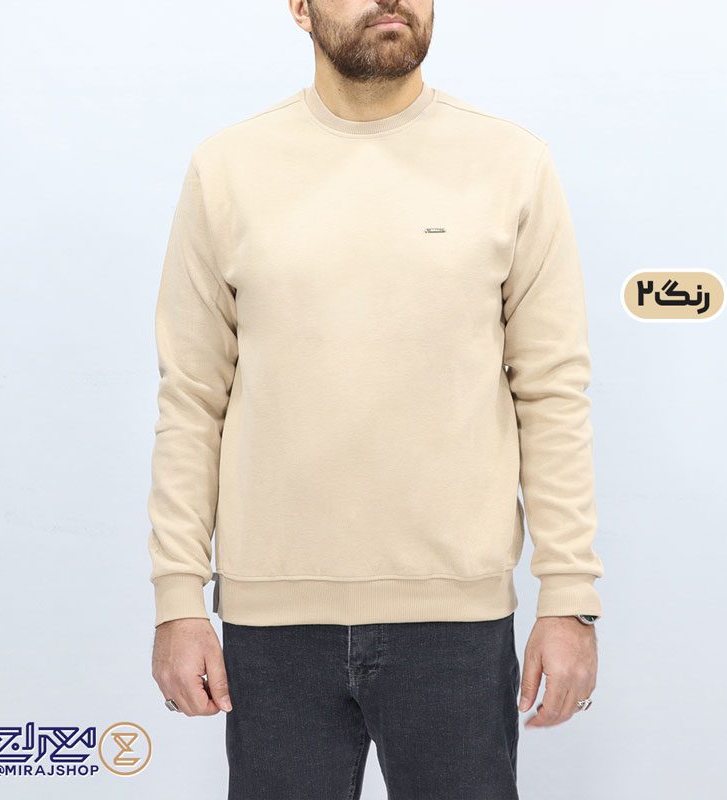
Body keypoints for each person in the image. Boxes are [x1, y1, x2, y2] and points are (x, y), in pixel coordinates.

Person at [148, 1, 604, 797]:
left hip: (458, 625)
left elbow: (552, 393)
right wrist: (177, 599)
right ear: (300, 8)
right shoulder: (229, 168)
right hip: (273, 626)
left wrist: (571, 599)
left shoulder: (511, 163)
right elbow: (192, 399)